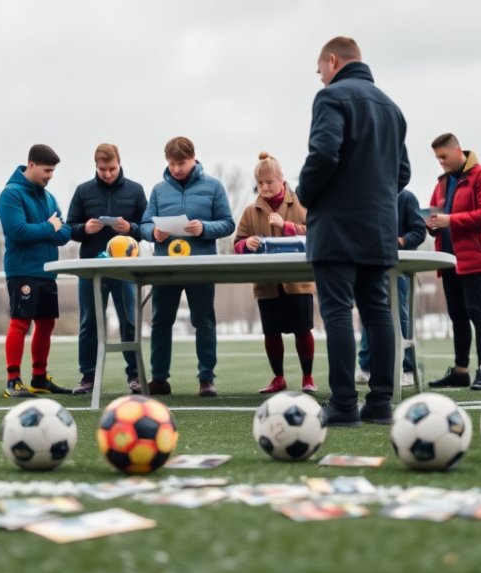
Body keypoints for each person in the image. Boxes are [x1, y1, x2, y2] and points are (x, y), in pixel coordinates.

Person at [298, 36, 412, 426]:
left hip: (336, 226)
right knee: (378, 312)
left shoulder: (330, 98)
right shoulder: (391, 108)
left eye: (320, 71)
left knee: (337, 313)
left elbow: (324, 153)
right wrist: (375, 195)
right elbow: (403, 173)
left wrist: (306, 194)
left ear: (332, 61)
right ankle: (380, 404)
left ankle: (344, 404)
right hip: (379, 226)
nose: (320, 79)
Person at [142, 136, 234, 397]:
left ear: (193, 158)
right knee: (160, 322)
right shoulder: (159, 190)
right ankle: (159, 379)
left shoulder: (214, 187)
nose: (176, 169)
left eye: (180, 163)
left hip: (200, 266)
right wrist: (154, 233)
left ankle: (206, 379)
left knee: (204, 321)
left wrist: (204, 228)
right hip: (165, 267)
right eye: (171, 164)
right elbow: (145, 224)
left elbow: (228, 223)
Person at [234, 152, 317, 394]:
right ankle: (278, 378)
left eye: (269, 182)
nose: (264, 187)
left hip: (298, 282)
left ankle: (308, 378)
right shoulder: (251, 211)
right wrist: (245, 244)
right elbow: (237, 242)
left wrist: (287, 226)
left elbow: (316, 232)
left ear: (281, 179)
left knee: (303, 330)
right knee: (271, 332)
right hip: (266, 283)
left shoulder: (300, 203)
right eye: (260, 183)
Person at [68, 143, 147, 395]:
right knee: (89, 322)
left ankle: (135, 376)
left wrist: (130, 229)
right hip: (91, 268)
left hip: (125, 270)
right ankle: (88, 377)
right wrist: (84, 229)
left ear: (119, 162)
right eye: (103, 169)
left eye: (112, 168)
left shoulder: (135, 190)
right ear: (96, 166)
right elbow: (70, 227)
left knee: (129, 322)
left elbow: (146, 227)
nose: (108, 174)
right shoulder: (83, 191)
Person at [0, 144, 74, 398]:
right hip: (22, 270)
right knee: (20, 323)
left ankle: (39, 378)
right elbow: (18, 232)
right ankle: (13, 380)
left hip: (48, 271)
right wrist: (49, 227)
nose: (50, 175)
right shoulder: (11, 194)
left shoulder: (49, 197)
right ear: (31, 165)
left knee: (46, 324)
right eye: (47, 170)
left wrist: (47, 229)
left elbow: (64, 233)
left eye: (53, 171)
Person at [425, 133, 481, 391]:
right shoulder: (442, 183)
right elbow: (437, 215)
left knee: (477, 313)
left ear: (458, 151)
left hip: (475, 257)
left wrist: (450, 220)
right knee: (457, 316)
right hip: (447, 260)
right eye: (437, 158)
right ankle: (460, 372)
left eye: (443, 157)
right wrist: (431, 224)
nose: (441, 162)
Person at [357, 187, 427, 387]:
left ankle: (406, 368)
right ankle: (366, 367)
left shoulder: (406, 198)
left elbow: (419, 231)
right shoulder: (368, 195)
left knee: (400, 314)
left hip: (398, 268)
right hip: (370, 264)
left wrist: (400, 241)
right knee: (368, 314)